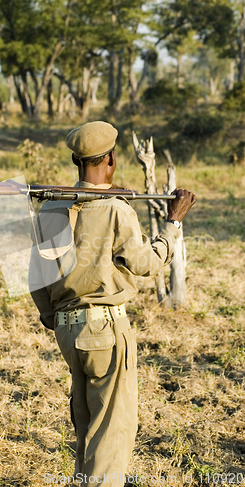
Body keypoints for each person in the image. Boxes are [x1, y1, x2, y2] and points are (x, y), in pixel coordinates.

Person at [29, 121, 196, 487]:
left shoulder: (49, 209)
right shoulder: (118, 211)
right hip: (105, 330)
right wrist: (172, 224)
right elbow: (147, 264)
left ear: (77, 160)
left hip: (67, 333)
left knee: (87, 431)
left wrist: (55, 318)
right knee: (110, 437)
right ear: (112, 160)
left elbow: (36, 279)